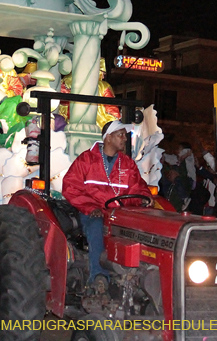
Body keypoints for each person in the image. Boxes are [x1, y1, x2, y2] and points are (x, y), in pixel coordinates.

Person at [62, 120, 151, 286]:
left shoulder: (127, 164)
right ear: (108, 137)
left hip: (119, 214)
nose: (125, 138)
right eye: (121, 135)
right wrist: (91, 207)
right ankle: (99, 278)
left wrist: (144, 198)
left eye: (125, 135)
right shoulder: (86, 160)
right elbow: (70, 188)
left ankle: (138, 276)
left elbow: (138, 188)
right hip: (93, 213)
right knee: (96, 225)